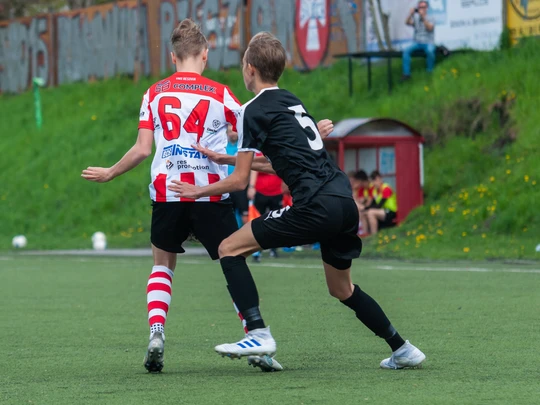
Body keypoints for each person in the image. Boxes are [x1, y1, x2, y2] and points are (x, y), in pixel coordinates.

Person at [169, 32, 426, 370]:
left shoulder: (250, 110)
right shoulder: (292, 101)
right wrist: (223, 156)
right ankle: (403, 348)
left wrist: (197, 191)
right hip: (343, 200)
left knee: (228, 248)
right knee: (342, 289)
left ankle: (258, 333)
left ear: (249, 69)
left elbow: (241, 181)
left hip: (315, 205)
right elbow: (283, 161)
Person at [81, 19, 285, 373]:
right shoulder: (221, 93)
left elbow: (143, 149)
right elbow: (251, 131)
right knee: (231, 261)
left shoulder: (155, 92)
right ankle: (257, 341)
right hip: (210, 195)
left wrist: (111, 172)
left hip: (168, 194)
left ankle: (157, 333)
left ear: (173, 58)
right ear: (205, 55)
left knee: (162, 265)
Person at [249, 158, 283, 262]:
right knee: (258, 222)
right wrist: (251, 186)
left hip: (277, 192)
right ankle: (256, 251)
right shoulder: (259, 153)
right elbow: (254, 169)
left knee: (277, 223)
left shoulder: (279, 152)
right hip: (260, 192)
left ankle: (274, 249)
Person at [401, 1, 435, 81]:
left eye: (423, 7)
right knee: (406, 51)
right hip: (417, 42)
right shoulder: (416, 18)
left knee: (430, 51)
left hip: (428, 42)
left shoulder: (431, 17)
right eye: (420, 7)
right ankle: (406, 74)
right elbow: (407, 23)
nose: (421, 9)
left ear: (427, 8)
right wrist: (411, 14)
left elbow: (430, 28)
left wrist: (423, 17)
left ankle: (429, 72)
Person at [226, 125, 249, 227]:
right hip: (226, 186)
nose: (232, 134)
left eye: (234, 131)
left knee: (244, 214)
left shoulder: (243, 148)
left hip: (240, 185)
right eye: (230, 132)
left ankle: (246, 237)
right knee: (228, 213)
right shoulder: (223, 147)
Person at [362, 170, 398, 235]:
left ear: (379, 179)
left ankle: (374, 235)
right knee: (364, 213)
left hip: (391, 211)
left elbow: (380, 205)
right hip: (383, 211)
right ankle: (365, 234)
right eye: (373, 181)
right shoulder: (375, 191)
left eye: (375, 180)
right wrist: (365, 209)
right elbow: (373, 204)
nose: (374, 183)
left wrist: (369, 209)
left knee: (371, 212)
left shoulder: (386, 188)